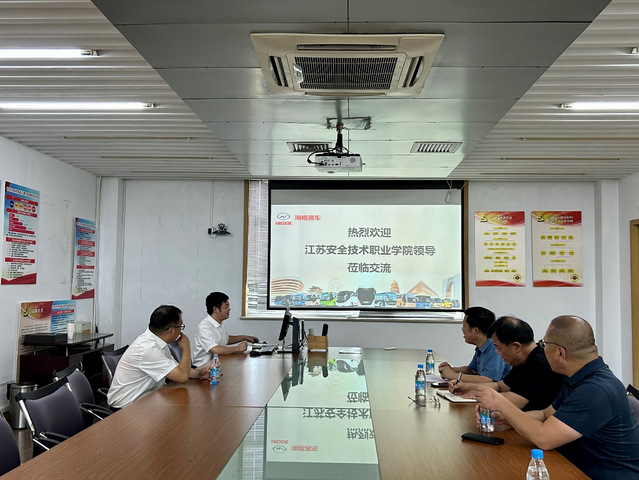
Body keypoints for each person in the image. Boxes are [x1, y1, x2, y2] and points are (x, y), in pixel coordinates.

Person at [475, 316, 639, 478]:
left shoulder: (595, 389)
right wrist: (508, 418)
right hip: (576, 465)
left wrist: (502, 404)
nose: (541, 348)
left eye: (544, 344)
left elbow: (544, 438)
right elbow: (545, 414)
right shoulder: (580, 377)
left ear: (560, 353)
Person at [451, 315, 565, 411]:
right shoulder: (523, 360)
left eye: (498, 348)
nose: (497, 352)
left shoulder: (539, 365)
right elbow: (500, 386)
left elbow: (511, 401)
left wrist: (476, 394)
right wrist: (467, 387)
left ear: (516, 347)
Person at [107, 305, 209, 409]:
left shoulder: (158, 342)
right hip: (127, 406)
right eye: (181, 326)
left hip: (149, 398)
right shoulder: (149, 349)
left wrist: (198, 373)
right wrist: (186, 347)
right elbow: (182, 376)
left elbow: (176, 370)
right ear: (171, 330)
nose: (181, 331)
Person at [438, 306, 511, 383]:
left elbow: (487, 380)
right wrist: (452, 370)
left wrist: (453, 375)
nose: (462, 329)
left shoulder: (495, 348)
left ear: (476, 330)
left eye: (464, 325)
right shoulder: (482, 347)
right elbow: (472, 370)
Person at [191, 291, 259, 367]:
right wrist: (238, 348)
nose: (229, 309)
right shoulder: (204, 327)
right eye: (226, 307)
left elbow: (225, 339)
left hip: (217, 365)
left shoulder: (220, 323)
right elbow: (215, 350)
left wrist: (245, 338)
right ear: (215, 309)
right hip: (202, 368)